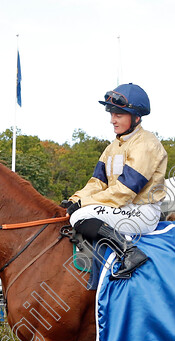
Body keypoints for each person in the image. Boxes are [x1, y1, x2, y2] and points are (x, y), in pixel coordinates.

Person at [61, 83, 168, 280]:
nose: (112, 120)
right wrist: (74, 199)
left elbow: (124, 191)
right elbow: (97, 183)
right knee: (73, 212)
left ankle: (129, 252)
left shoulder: (146, 144)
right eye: (111, 114)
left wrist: (82, 204)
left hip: (142, 212)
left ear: (136, 117)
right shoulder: (112, 147)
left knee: (80, 216)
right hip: (122, 208)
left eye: (118, 115)